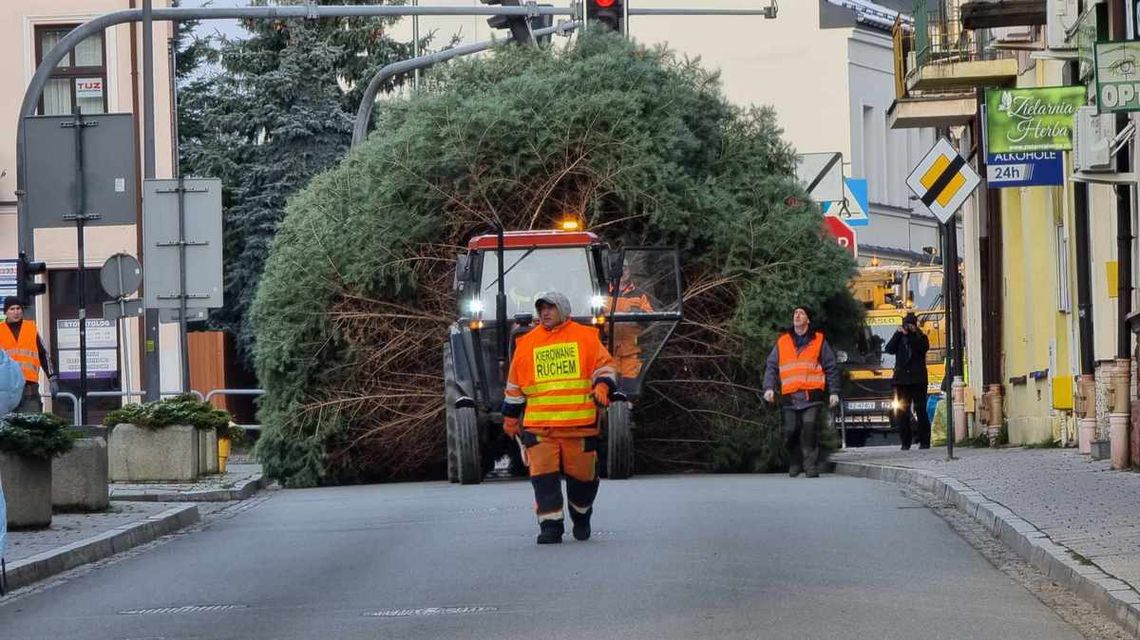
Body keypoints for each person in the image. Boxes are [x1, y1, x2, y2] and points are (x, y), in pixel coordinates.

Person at [502, 291, 617, 544]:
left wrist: (603, 386)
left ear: (563, 309)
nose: (545, 313)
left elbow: (606, 367)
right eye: (541, 308)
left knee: (583, 483)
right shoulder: (527, 344)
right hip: (541, 430)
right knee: (544, 481)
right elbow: (514, 386)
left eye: (550, 308)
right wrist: (510, 418)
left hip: (580, 428)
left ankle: (582, 515)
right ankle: (550, 527)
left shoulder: (586, 337)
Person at [762, 305, 841, 478]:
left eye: (801, 313)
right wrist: (768, 388)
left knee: (809, 429)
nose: (797, 315)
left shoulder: (819, 340)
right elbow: (772, 366)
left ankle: (810, 465)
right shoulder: (783, 341)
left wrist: (834, 391)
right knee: (790, 432)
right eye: (795, 313)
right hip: (790, 397)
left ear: (808, 319)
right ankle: (795, 461)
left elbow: (831, 367)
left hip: (811, 395)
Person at [0, 297, 57, 414]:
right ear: (5, 312)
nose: (16, 312)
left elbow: (44, 355)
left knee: (32, 425)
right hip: (6, 389)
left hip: (29, 387)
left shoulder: (31, 328)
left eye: (18, 308)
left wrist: (52, 378)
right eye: (12, 309)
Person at [884, 311, 930, 449]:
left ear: (915, 326)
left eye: (910, 325)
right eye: (906, 325)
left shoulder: (921, 337)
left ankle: (924, 441)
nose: (908, 327)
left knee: (920, 410)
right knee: (902, 412)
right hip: (902, 381)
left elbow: (921, 348)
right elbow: (889, 349)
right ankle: (905, 442)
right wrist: (898, 334)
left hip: (918, 380)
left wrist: (911, 335)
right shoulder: (899, 337)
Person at [608, 270, 654, 392]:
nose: (623, 271)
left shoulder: (640, 295)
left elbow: (651, 317)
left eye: (626, 268)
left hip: (632, 352)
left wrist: (636, 313)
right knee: (607, 392)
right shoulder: (602, 293)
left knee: (629, 392)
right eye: (620, 268)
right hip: (608, 353)